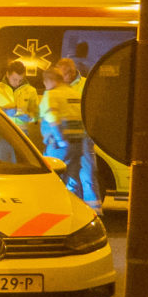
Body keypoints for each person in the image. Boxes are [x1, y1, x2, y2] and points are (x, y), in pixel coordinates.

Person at [39, 60, 94, 205]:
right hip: (77, 144)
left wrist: (60, 139)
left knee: (54, 180)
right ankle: (76, 208)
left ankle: (55, 209)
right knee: (74, 179)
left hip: (58, 146)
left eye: (45, 83)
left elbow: (52, 119)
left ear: (50, 81)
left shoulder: (52, 95)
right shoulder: (74, 94)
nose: (45, 87)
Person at [0, 59, 39, 140]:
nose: (17, 83)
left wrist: (26, 116)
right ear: (7, 74)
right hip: (0, 133)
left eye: (21, 80)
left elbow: (36, 115)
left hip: (22, 134)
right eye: (14, 79)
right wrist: (3, 111)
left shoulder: (31, 91)